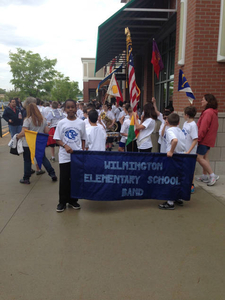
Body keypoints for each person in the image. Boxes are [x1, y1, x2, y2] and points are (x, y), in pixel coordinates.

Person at [53, 99, 87, 213]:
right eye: (68, 107)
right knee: (64, 180)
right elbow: (57, 139)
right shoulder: (61, 123)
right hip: (64, 156)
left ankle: (73, 200)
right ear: (65, 109)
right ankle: (62, 202)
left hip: (76, 157)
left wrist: (81, 151)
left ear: (76, 108)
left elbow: (83, 138)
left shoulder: (81, 123)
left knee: (75, 179)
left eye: (73, 107)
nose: (71, 109)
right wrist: (65, 145)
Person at [16, 103, 57, 184]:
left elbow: (23, 132)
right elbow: (46, 131)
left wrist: (17, 137)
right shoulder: (43, 120)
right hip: (39, 143)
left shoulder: (27, 120)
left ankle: (26, 178)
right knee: (43, 158)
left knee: (27, 160)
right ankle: (52, 174)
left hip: (28, 143)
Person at [158, 113, 185, 210]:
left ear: (168, 122)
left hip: (173, 157)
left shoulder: (170, 131)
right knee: (177, 178)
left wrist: (170, 151)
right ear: (179, 122)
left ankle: (170, 202)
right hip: (180, 157)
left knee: (170, 179)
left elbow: (175, 140)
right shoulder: (180, 130)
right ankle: (178, 197)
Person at [196, 94, 219, 186]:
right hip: (209, 139)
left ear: (208, 102)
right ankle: (205, 176)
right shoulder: (212, 112)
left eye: (203, 100)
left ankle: (212, 175)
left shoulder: (208, 112)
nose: (201, 101)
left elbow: (203, 128)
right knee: (205, 157)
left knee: (199, 158)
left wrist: (198, 140)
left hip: (204, 139)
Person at [182, 106, 198, 193]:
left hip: (190, 151)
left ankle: (191, 185)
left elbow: (195, 139)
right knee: (185, 168)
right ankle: (185, 183)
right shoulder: (185, 123)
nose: (183, 115)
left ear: (187, 115)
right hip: (184, 149)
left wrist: (189, 151)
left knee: (190, 168)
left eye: (183, 114)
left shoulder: (193, 125)